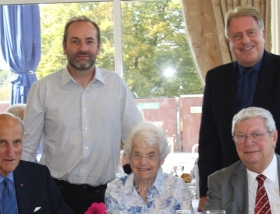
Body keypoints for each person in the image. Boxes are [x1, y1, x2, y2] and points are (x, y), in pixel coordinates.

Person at [22, 16, 143, 213]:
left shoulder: (116, 86)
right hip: (56, 195)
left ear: (98, 47)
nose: (83, 48)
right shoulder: (43, 89)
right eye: (75, 41)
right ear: (64, 47)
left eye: (89, 41)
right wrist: (25, 192)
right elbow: (27, 148)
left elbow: (136, 140)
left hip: (105, 195)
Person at [197, 5, 280, 211]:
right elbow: (209, 140)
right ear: (229, 42)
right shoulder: (216, 79)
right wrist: (205, 191)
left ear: (263, 33)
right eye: (237, 35)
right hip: (229, 187)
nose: (245, 40)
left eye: (250, 32)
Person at [204, 107, 280, 213]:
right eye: (241, 136)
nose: (248, 142)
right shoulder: (220, 182)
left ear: (274, 137)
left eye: (256, 135)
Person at [105, 122, 193, 213]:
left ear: (162, 159)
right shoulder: (115, 191)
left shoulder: (177, 188)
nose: (143, 162)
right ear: (129, 157)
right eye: (137, 155)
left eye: (151, 155)